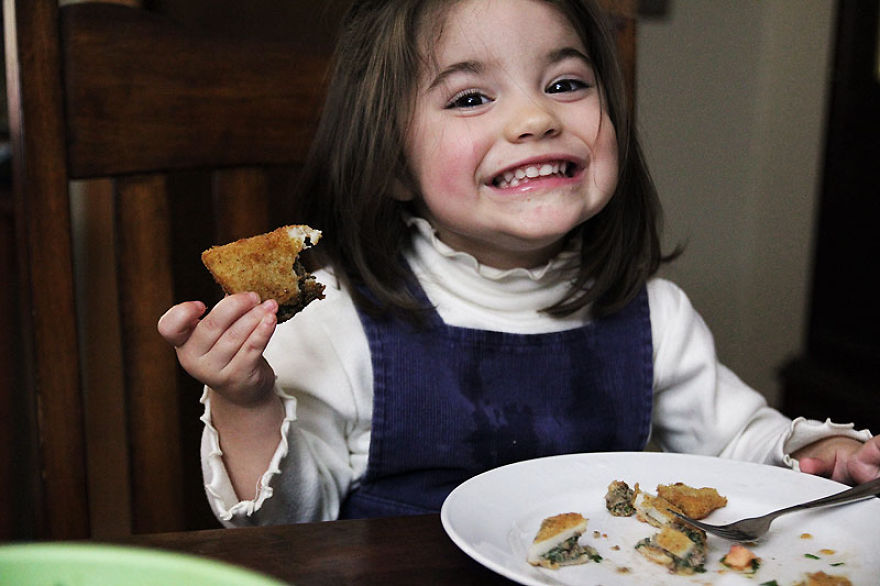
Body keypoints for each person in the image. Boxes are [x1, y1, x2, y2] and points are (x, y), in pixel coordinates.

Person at [158, 0, 879, 526]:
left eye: (566, 83)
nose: (535, 118)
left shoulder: (654, 314)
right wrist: (246, 401)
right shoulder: (338, 319)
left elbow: (736, 445)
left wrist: (822, 452)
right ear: (392, 164)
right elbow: (287, 527)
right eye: (471, 96)